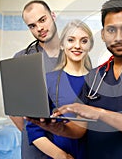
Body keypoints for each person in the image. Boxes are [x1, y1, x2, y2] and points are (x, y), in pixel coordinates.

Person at [27, 0, 122, 159]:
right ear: (103, 34)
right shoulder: (94, 77)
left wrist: (101, 114)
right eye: (111, 30)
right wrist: (57, 128)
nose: (118, 37)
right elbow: (80, 129)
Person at [26, 19, 94, 159]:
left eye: (84, 41)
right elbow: (34, 130)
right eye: (71, 40)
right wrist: (62, 156)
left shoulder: (99, 81)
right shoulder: (49, 81)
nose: (77, 46)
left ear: (90, 46)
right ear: (62, 44)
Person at [10, 0, 60, 159]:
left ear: (53, 16)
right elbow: (14, 110)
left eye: (42, 20)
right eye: (32, 25)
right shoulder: (22, 58)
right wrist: (31, 132)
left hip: (68, 142)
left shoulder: (74, 54)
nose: (39, 28)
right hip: (35, 147)